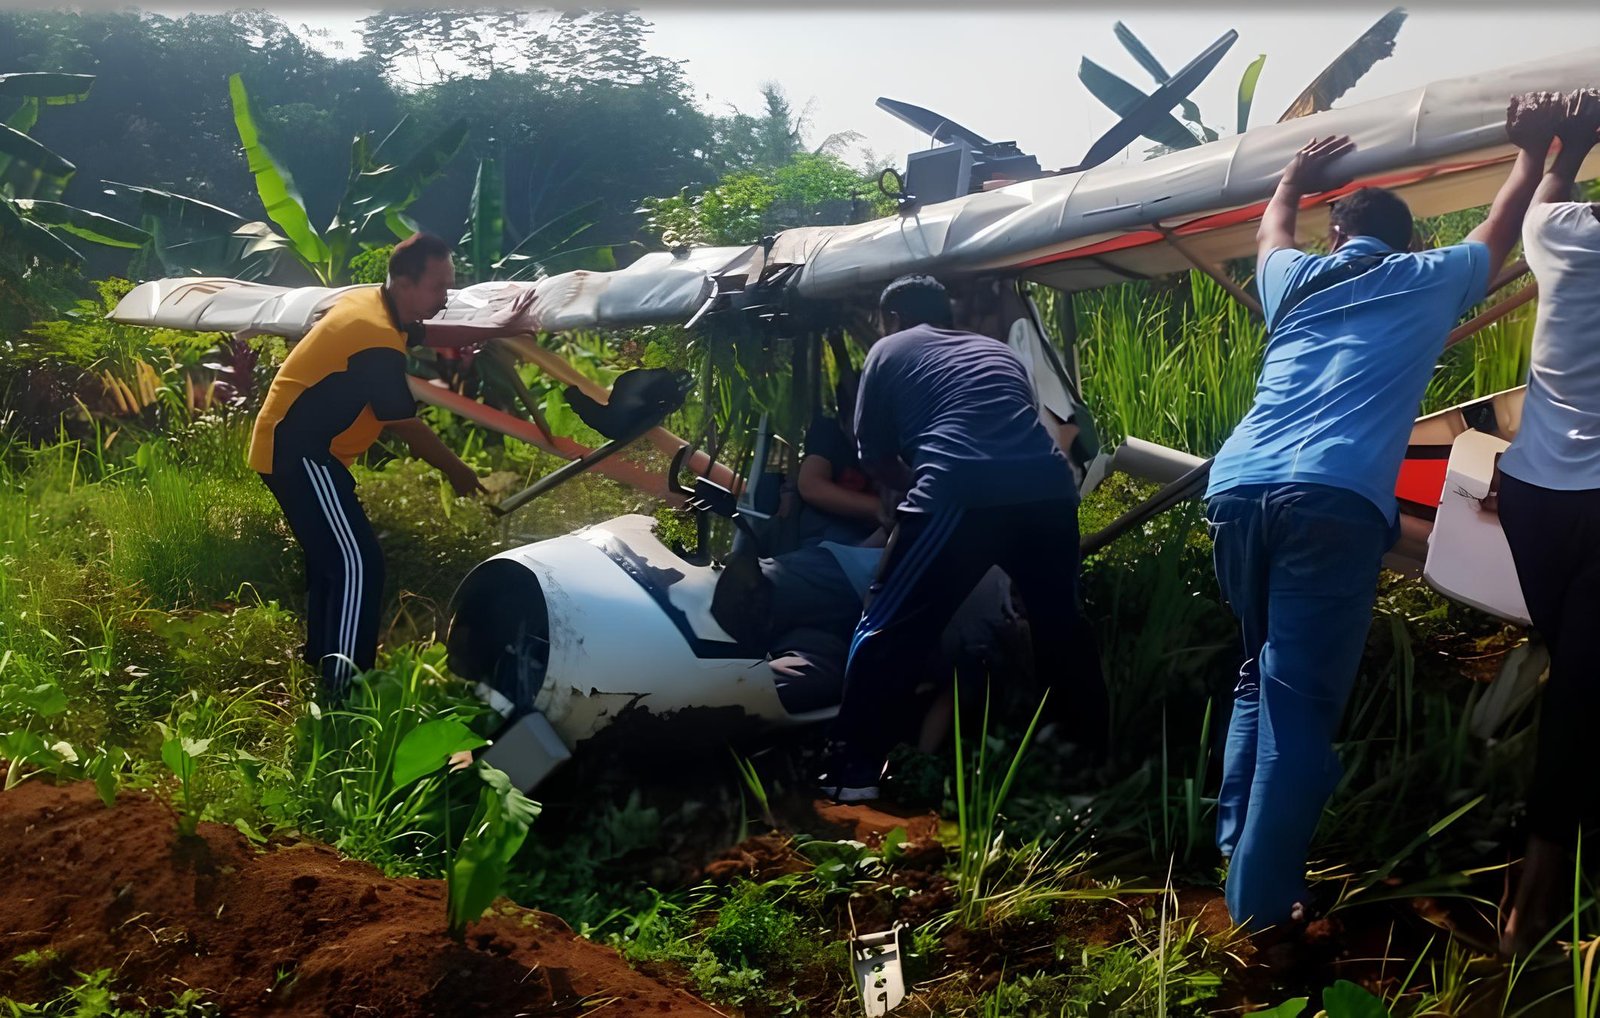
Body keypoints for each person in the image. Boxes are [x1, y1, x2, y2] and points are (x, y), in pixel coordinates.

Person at [1204, 98, 1553, 931]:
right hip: (1330, 499)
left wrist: (1292, 175)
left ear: (1337, 235)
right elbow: (1505, 224)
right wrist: (1532, 152)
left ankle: (1236, 844)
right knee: (1297, 703)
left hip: (1237, 485)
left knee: (1260, 670)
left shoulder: (1292, 278)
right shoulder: (1432, 277)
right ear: (1411, 240)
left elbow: (1270, 230)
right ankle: (1260, 908)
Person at [818, 274, 1109, 802]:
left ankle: (850, 772)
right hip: (1049, 492)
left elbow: (874, 456)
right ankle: (1084, 776)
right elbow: (1016, 429)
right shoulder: (996, 353)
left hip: (961, 489)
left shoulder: (889, 348)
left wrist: (912, 493)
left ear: (892, 319)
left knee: (885, 625)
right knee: (1061, 630)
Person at [249, 232, 534, 701]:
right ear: (403, 281)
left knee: (331, 559)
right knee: (359, 562)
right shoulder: (376, 336)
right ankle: (345, 686)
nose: (445, 299)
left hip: (293, 447)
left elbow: (434, 333)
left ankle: (323, 660)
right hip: (300, 452)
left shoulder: (377, 306)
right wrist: (458, 471)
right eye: (439, 287)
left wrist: (497, 327)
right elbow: (405, 424)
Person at [1486, 88, 1600, 957]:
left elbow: (1551, 189)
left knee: (1580, 673)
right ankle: (1531, 908)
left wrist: (1567, 138)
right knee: (1578, 702)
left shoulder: (1562, 235)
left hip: (1533, 496)